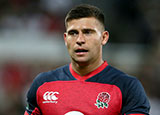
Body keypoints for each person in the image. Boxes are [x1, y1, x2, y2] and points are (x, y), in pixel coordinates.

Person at [24, 4, 150, 115]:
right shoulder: (43, 84)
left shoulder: (127, 87)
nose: (80, 40)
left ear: (104, 38)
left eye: (88, 32)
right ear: (65, 39)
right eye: (73, 33)